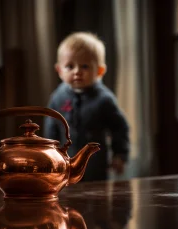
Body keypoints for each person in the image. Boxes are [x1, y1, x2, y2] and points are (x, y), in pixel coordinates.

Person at [44, 32, 130, 181]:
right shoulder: (57, 97)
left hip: (95, 164)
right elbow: (51, 128)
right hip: (64, 161)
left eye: (85, 66)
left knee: (95, 196)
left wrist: (120, 155)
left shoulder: (104, 99)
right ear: (59, 70)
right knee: (65, 195)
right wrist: (49, 155)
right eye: (70, 66)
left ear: (99, 71)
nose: (77, 71)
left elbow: (120, 128)